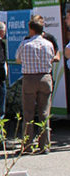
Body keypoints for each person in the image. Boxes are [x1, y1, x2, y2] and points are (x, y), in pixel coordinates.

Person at [16, 17, 56, 154]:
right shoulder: (48, 44)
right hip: (45, 77)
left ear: (31, 29)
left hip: (29, 79)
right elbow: (52, 57)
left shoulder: (25, 44)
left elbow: (18, 59)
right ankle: (44, 145)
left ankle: (27, 145)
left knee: (28, 113)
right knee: (44, 112)